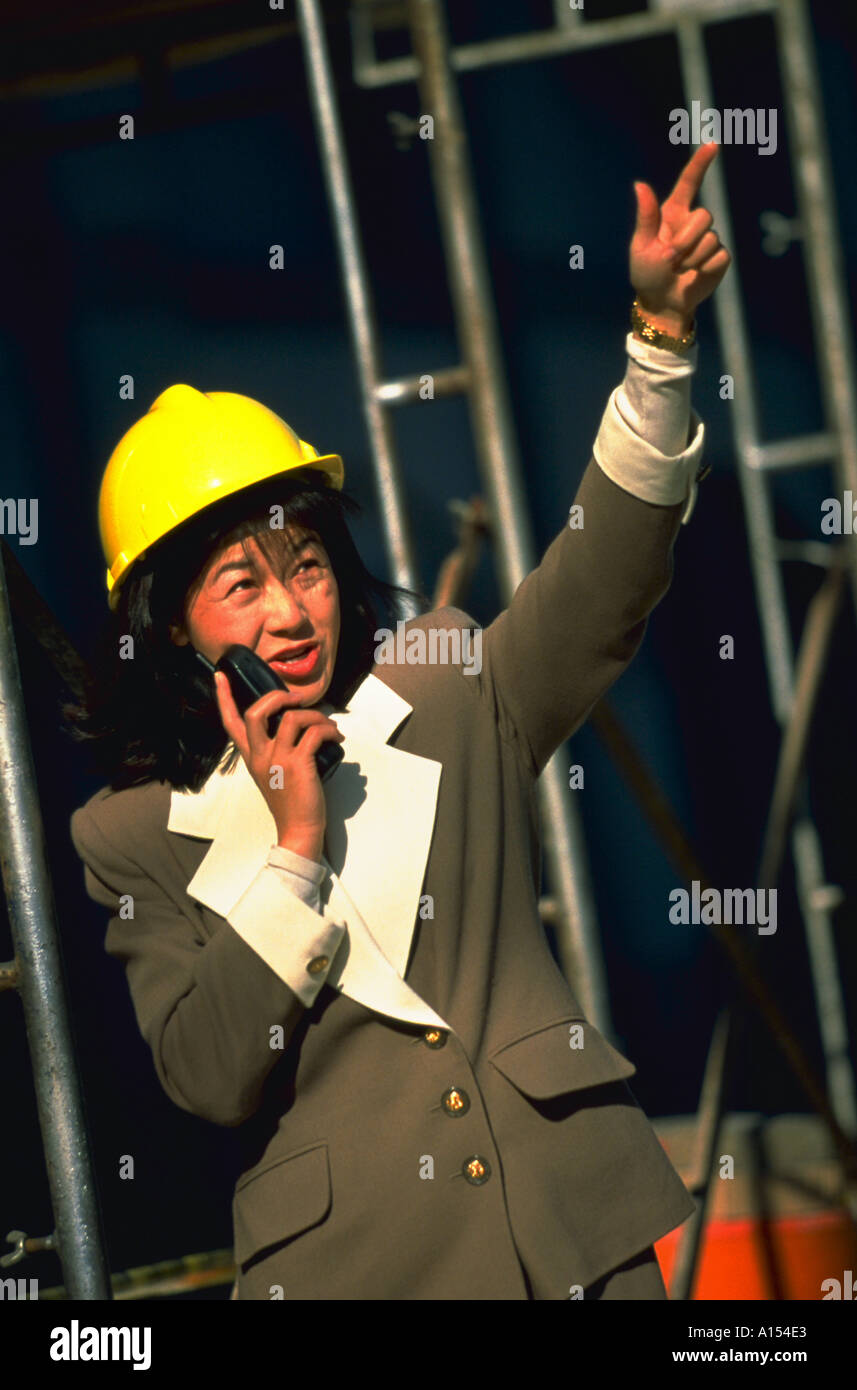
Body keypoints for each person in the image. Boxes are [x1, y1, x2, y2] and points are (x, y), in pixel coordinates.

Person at [67, 142, 730, 1300]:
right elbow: (211, 1074)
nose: (288, 611)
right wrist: (292, 850)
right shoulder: (129, 833)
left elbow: (599, 585)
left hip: (573, 1243)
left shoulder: (441, 682)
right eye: (240, 583)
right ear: (172, 624)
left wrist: (658, 343)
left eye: (308, 565)